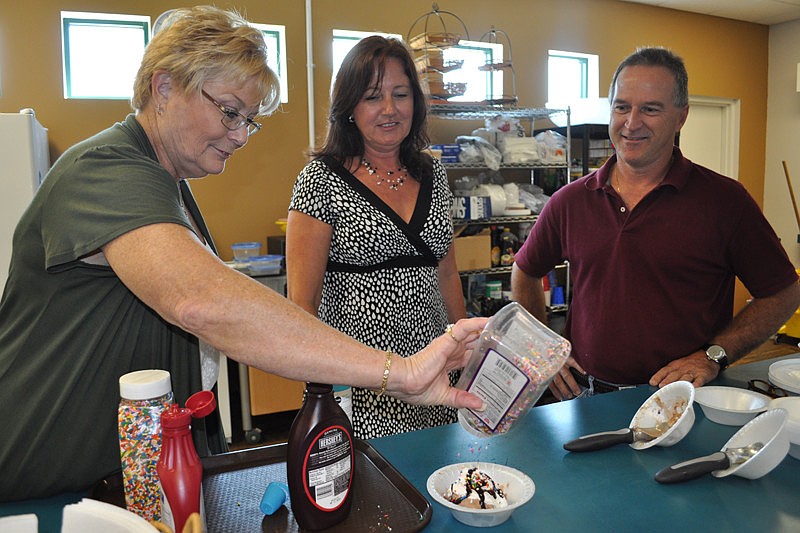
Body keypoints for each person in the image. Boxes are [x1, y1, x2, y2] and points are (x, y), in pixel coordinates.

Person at [0, 7, 487, 502]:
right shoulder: (104, 169)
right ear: (164, 87)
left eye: (247, 121)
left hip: (131, 476)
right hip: (48, 481)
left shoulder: (170, 188)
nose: (238, 136)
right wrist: (399, 371)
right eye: (229, 112)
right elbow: (202, 300)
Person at [511, 46, 800, 401]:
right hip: (582, 399)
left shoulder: (725, 202)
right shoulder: (570, 201)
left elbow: (784, 292)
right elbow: (525, 271)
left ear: (681, 117)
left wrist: (715, 355)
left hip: (683, 399)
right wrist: (544, 352)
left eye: (650, 108)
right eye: (621, 107)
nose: (632, 123)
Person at [286, 36, 466, 439]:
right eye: (372, 97)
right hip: (363, 383)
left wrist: (465, 351)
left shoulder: (433, 174)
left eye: (400, 94)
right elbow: (301, 303)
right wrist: (323, 385)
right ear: (349, 107)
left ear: (415, 104)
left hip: (435, 377)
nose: (389, 109)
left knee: (435, 480)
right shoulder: (320, 180)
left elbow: (448, 274)